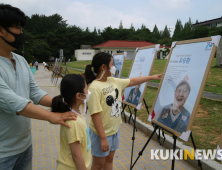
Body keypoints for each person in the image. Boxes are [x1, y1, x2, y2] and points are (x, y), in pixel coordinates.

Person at [0, 4, 76, 170]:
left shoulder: (20, 60)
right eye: (17, 28)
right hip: (3, 153)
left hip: (24, 145)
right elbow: (12, 101)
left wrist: (60, 104)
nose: (21, 33)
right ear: (1, 30)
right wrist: (51, 116)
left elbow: (34, 92)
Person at [84, 52, 163, 170]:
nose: (114, 66)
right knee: (98, 164)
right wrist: (103, 138)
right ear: (104, 67)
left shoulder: (113, 81)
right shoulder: (94, 88)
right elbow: (95, 115)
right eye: (112, 63)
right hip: (101, 134)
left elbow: (131, 81)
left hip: (114, 130)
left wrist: (151, 77)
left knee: (109, 159)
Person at [51, 74, 91, 170]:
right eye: (86, 88)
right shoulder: (73, 122)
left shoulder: (74, 114)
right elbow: (76, 157)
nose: (88, 91)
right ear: (78, 95)